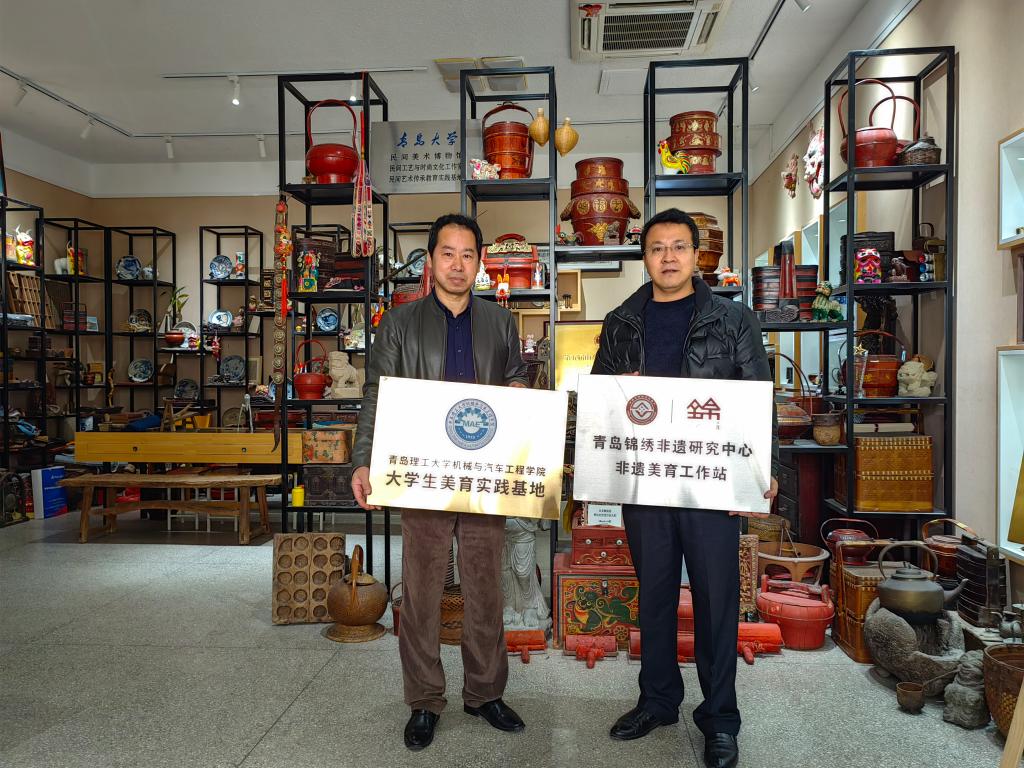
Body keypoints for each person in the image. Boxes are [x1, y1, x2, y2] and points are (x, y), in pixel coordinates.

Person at [590, 208, 779, 768]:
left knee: (717, 600)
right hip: (646, 482)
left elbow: (758, 395)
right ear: (644, 258)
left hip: (712, 483)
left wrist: (762, 469)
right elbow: (601, 399)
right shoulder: (622, 321)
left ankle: (719, 719)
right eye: (657, 248)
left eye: (678, 247)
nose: (668, 257)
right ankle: (658, 701)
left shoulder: (732, 319)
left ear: (697, 256)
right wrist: (619, 395)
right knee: (653, 595)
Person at [350, 213, 529, 752]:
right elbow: (376, 394)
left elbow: (517, 381)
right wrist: (363, 459)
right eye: (447, 253)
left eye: (467, 254)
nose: (457, 264)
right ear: (430, 261)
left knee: (485, 588)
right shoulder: (399, 323)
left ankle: (485, 692)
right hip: (422, 475)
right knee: (422, 591)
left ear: (480, 262)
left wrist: (520, 394)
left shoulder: (500, 322)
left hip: (483, 475)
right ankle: (424, 700)